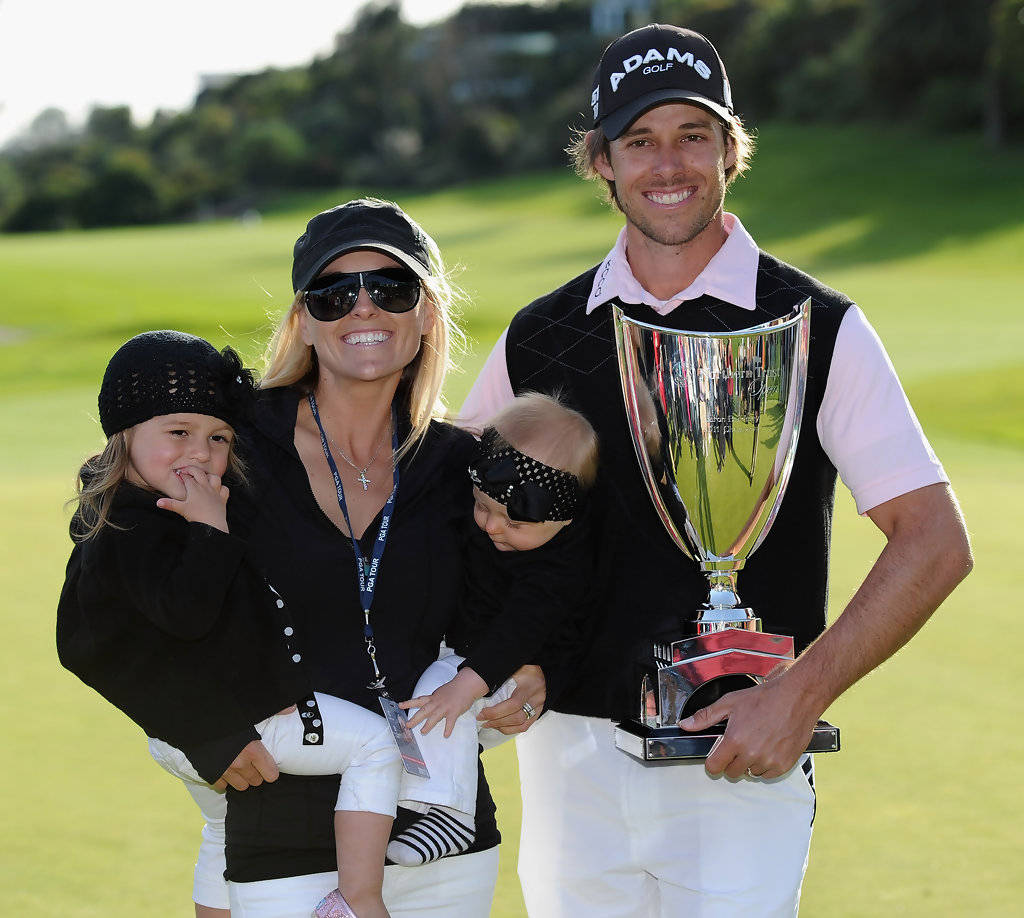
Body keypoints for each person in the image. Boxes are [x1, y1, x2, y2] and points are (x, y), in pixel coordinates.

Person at [461, 23, 973, 917]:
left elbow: (934, 541)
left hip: (741, 761)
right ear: (603, 164)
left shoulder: (816, 322)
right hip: (569, 762)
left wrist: (798, 694)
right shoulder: (540, 334)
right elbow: (454, 522)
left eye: (693, 135)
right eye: (639, 141)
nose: (669, 164)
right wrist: (512, 656)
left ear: (730, 151)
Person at [196, 199, 544, 917]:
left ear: (426, 315)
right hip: (285, 837)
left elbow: (537, 589)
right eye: (333, 292)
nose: (363, 307)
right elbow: (116, 593)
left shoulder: (464, 466)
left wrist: (535, 666)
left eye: (392, 287)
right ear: (303, 320)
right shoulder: (238, 445)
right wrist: (199, 729)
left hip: (442, 839)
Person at [56, 330, 402, 918]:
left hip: (193, 728)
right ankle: (361, 898)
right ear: (124, 436)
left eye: (218, 437)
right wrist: (211, 532)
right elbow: (185, 616)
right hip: (238, 721)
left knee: (222, 828)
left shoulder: (132, 511)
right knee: (375, 745)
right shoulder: (137, 526)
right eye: (178, 432)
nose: (200, 452)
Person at [388, 392, 598, 866]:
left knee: (439, 692)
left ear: (564, 516)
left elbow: (521, 628)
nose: (494, 527)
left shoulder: (562, 565)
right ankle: (421, 794)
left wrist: (468, 681)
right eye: (484, 507)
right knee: (425, 695)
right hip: (464, 652)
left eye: (516, 521)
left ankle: (451, 813)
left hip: (506, 671)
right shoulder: (481, 517)